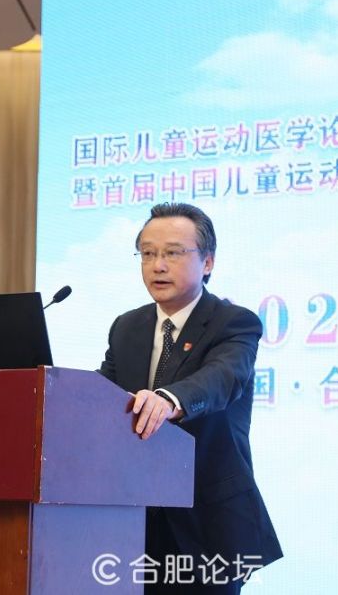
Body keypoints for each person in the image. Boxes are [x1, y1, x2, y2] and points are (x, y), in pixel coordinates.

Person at [99, 203, 282, 594]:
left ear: (208, 261)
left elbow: (221, 378)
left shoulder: (234, 323)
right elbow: (103, 394)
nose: (158, 265)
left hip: (208, 525)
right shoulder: (127, 327)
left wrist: (168, 399)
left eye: (173, 253)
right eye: (147, 253)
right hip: (132, 525)